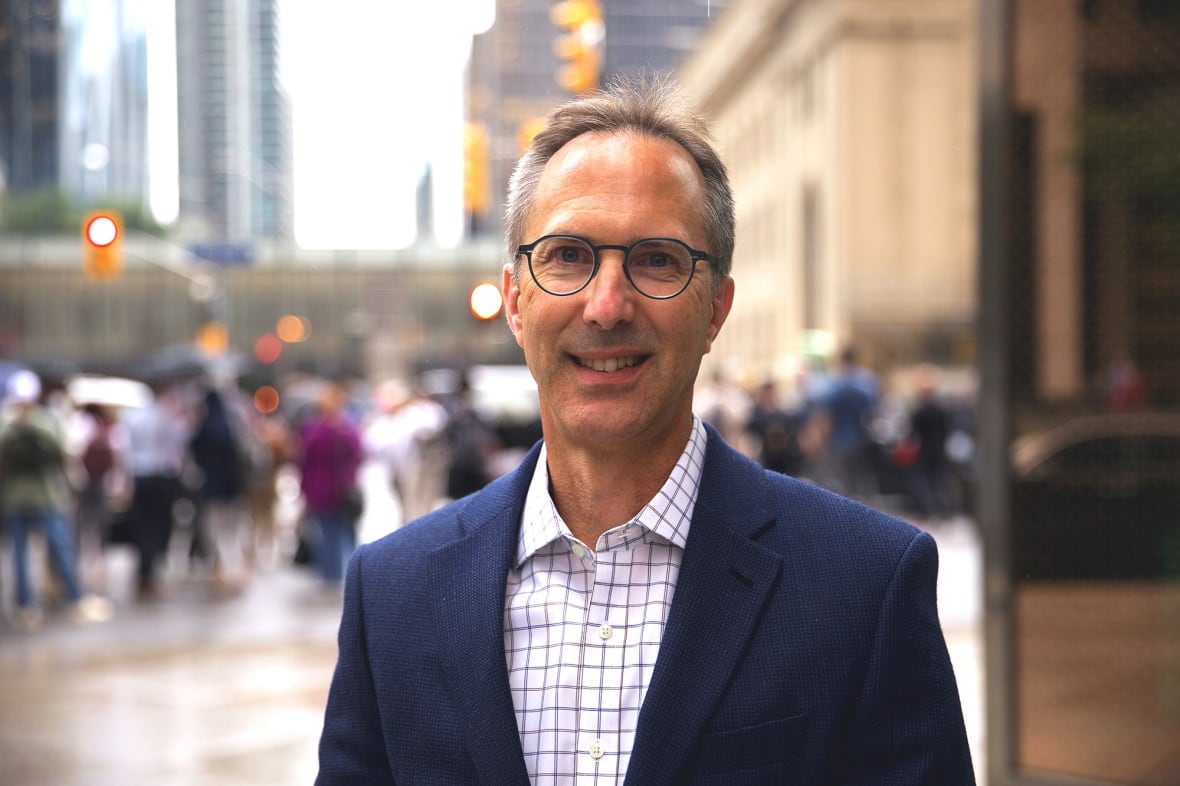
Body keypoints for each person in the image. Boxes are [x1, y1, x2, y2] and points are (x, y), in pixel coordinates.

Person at [316, 75, 974, 784]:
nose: (606, 305)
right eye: (567, 255)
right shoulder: (393, 595)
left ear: (716, 309)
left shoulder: (864, 585)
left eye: (656, 260)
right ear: (514, 299)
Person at [0, 370, 112, 630]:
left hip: (46, 496)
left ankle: (74, 597)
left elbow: (61, 451)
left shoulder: (45, 421)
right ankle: (26, 605)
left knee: (59, 548)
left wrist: (31, 427)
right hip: (20, 499)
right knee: (21, 555)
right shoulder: (9, 424)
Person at [297, 383, 363, 590]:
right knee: (345, 533)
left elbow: (304, 462)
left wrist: (304, 491)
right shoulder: (346, 431)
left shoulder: (313, 432)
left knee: (326, 535)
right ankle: (346, 575)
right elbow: (359, 454)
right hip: (342, 489)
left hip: (320, 490)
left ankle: (330, 576)